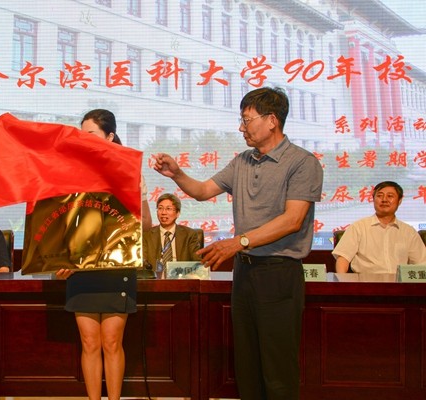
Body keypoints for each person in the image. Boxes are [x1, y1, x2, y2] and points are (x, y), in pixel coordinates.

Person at [153, 87, 323, 400]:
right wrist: (177, 174)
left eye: (247, 120)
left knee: (277, 368)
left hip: (278, 273)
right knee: (247, 365)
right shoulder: (243, 161)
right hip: (245, 273)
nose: (241, 127)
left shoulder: (302, 162)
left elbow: (293, 220)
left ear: (271, 120)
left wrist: (239, 241)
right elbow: (203, 190)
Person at [56, 109, 150, 400]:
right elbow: (63, 224)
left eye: (91, 134)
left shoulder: (128, 171)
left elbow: (146, 224)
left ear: (109, 136)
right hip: (81, 270)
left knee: (111, 342)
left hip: (116, 267)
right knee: (89, 342)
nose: (84, 140)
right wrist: (61, 259)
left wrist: (135, 200)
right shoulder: (71, 172)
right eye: (81, 135)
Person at [332, 181, 426, 274]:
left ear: (400, 200)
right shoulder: (358, 227)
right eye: (379, 196)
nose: (384, 199)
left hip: (399, 282)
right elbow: (343, 258)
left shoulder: (408, 232)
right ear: (373, 199)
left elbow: (421, 263)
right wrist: (342, 280)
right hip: (365, 282)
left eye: (390, 196)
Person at [143, 192, 202, 277]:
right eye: (160, 208)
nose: (163, 212)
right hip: (155, 281)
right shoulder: (147, 235)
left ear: (177, 213)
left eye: (168, 209)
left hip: (181, 279)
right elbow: (143, 264)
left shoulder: (189, 235)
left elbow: (197, 264)